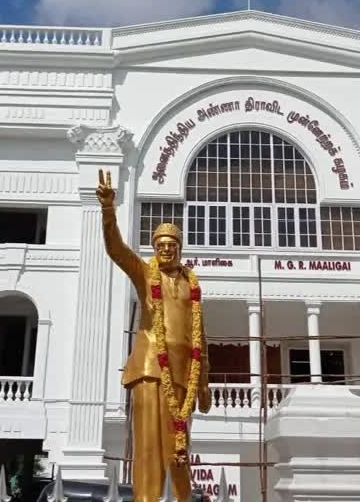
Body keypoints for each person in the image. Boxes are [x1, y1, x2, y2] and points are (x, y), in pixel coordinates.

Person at [96, 170, 211, 501]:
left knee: (178, 448)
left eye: (172, 246)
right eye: (160, 245)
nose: (165, 250)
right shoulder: (145, 274)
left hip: (182, 377)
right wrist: (108, 210)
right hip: (149, 368)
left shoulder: (193, 286)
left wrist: (202, 382)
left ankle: (180, 498)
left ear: (180, 250)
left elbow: (200, 337)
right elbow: (117, 249)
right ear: (154, 249)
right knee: (147, 445)